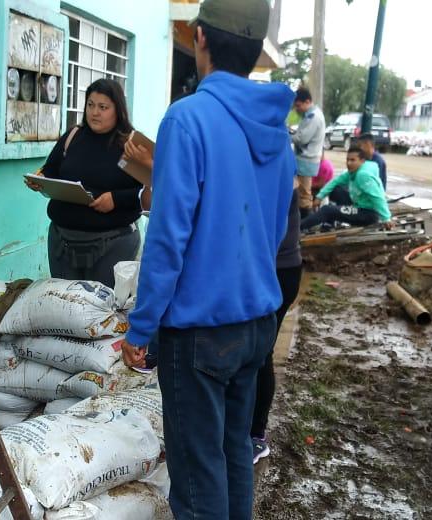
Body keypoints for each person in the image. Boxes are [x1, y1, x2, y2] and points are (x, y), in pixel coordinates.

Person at [120, 0, 295, 517]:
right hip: (258, 321)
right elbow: (276, 226)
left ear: (199, 38)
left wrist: (141, 326)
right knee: (234, 451)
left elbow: (170, 235)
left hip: (199, 333)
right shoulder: (276, 131)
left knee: (197, 478)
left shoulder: (188, 117)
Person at [26, 79, 143, 288]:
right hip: (62, 242)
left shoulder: (129, 145)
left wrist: (116, 199)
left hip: (113, 245)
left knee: (102, 311)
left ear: (118, 110)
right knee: (65, 309)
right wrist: (41, 179)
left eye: (103, 107)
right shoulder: (73, 136)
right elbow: (51, 169)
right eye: (90, 105)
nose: (95, 112)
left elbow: (147, 191)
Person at [251, 182, 302, 465]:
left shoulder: (274, 166)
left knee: (260, 353)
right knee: (256, 352)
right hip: (274, 269)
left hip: (276, 271)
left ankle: (256, 435)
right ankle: (248, 430)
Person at [301, 146, 391, 232]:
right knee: (336, 189)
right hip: (359, 205)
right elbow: (335, 181)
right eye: (347, 160)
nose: (348, 163)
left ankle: (298, 228)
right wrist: (320, 197)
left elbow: (377, 196)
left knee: (327, 210)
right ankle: (329, 223)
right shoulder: (354, 171)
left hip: (368, 214)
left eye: (352, 160)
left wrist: (386, 218)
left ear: (362, 161)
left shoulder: (363, 175)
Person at [290, 87, 326, 216]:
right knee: (303, 192)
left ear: (307, 101)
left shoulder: (313, 117)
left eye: (298, 106)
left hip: (306, 160)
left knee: (304, 194)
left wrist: (287, 136)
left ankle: (306, 222)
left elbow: (302, 138)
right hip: (306, 159)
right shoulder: (312, 114)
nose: (297, 109)